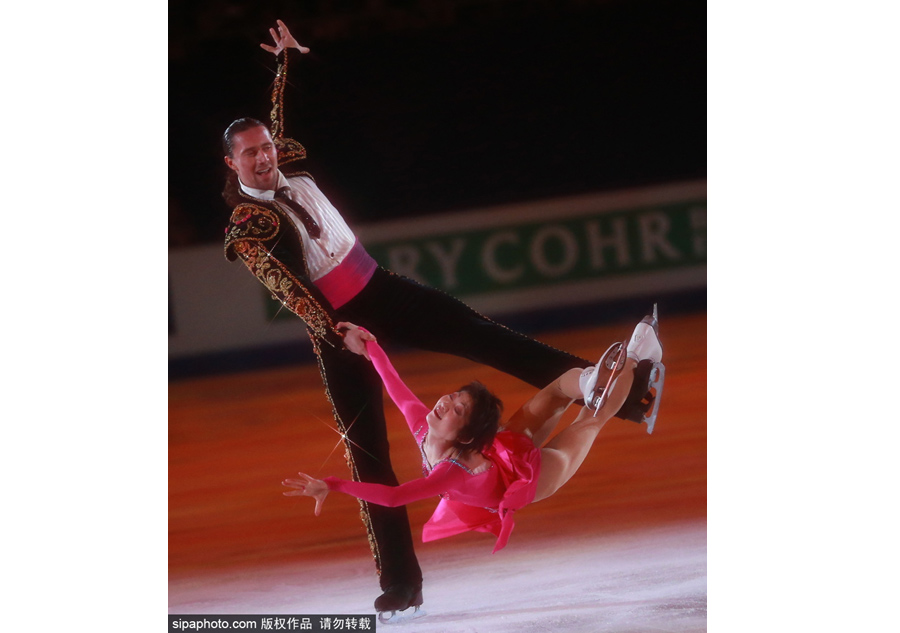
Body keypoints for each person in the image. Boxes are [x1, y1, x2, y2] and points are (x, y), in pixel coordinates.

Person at [222, 19, 660, 616]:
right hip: (340, 325)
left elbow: (280, 119)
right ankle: (402, 582)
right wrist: (337, 333)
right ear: (231, 165)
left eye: (267, 146)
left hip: (378, 284)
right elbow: (288, 287)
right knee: (368, 451)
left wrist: (285, 64)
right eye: (251, 153)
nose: (265, 155)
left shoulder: (288, 163)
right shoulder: (251, 225)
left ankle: (624, 392)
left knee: (483, 335)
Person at [282, 312, 663, 620]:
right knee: (578, 415)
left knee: (571, 403)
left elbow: (395, 497)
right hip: (534, 478)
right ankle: (623, 366)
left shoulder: (452, 469)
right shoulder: (425, 426)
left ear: (465, 436)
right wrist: (371, 347)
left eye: (457, 409)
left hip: (503, 452)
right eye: (451, 398)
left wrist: (333, 484)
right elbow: (394, 384)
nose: (444, 403)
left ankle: (609, 371)